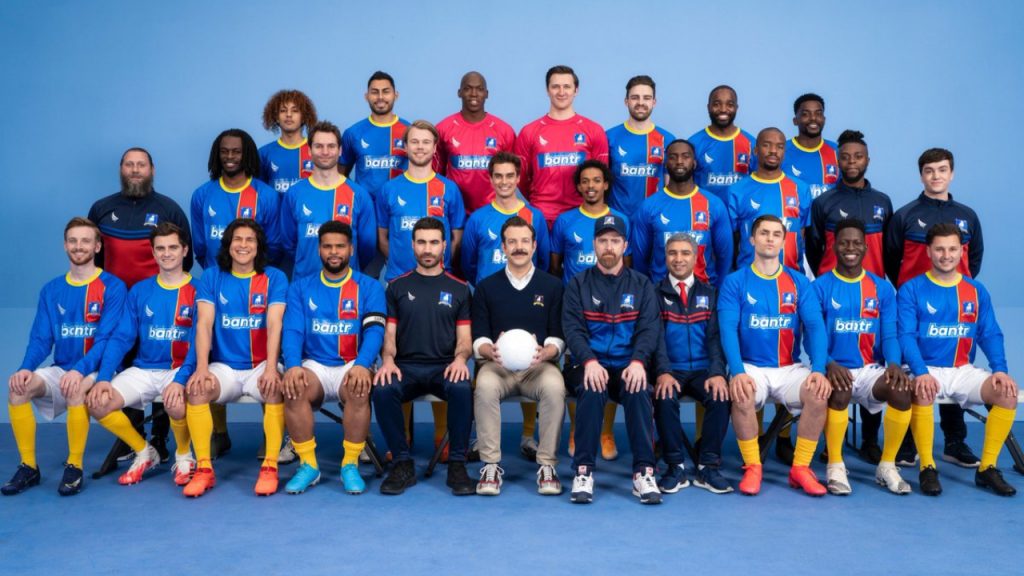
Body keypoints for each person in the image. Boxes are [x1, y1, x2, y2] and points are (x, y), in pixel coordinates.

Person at [3, 217, 126, 496]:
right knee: (18, 388)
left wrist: (80, 370)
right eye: (73, 241)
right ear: (65, 245)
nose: (78, 246)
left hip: (98, 368)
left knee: (75, 388)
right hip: (63, 367)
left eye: (85, 241)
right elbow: (41, 339)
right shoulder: (51, 290)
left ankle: (74, 466)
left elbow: (106, 340)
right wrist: (25, 368)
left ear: (97, 246)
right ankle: (28, 467)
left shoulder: (113, 286)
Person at [88, 146, 192, 461]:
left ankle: (160, 437)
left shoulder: (168, 208)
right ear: (121, 169)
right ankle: (134, 439)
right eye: (129, 165)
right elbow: (94, 258)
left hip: (160, 304)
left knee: (161, 362)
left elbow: (184, 260)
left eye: (141, 165)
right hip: (117, 306)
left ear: (152, 170)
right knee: (126, 365)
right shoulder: (101, 208)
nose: (135, 170)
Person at [898, 222, 1016, 496]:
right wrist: (920, 371)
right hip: (924, 367)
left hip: (962, 369)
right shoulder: (911, 289)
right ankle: (927, 467)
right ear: (928, 251)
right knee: (922, 390)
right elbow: (906, 336)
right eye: (940, 249)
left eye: (952, 249)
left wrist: (999, 369)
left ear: (962, 251)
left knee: (1006, 394)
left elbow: (990, 333)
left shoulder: (976, 291)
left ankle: (987, 468)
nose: (946, 255)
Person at [886, 148, 984, 468]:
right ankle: (909, 442)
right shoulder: (904, 216)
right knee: (912, 370)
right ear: (921, 176)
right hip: (914, 308)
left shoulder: (968, 216)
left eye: (942, 170)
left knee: (955, 369)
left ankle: (954, 441)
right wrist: (912, 293)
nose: (936, 176)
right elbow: (891, 260)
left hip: (956, 310)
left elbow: (974, 260)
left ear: (951, 173)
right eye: (929, 171)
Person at [718, 215, 829, 496]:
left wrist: (818, 369)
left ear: (783, 241)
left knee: (818, 393)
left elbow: (815, 326)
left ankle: (800, 468)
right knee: (741, 392)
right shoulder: (734, 282)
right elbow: (727, 329)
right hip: (750, 367)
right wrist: (737, 371)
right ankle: (753, 466)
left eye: (776, 234)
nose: (770, 239)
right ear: (752, 239)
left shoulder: (799, 282)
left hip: (788, 367)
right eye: (764, 233)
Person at [180, 219, 288, 497]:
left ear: (258, 246)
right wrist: (201, 368)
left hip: (260, 365)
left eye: (250, 239)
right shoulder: (212, 277)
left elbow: (275, 324)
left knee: (275, 388)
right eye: (237, 239)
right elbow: (204, 324)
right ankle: (204, 469)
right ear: (228, 245)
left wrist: (272, 368)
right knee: (197, 389)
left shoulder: (274, 277)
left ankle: (270, 466)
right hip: (224, 367)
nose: (243, 245)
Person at [85, 222, 198, 487]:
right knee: (97, 402)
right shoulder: (139, 291)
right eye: (161, 248)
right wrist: (103, 377)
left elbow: (200, 343)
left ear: (184, 250)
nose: (167, 253)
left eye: (173, 247)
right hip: (144, 369)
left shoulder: (199, 290)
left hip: (179, 368)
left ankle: (184, 456)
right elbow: (122, 337)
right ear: (153, 252)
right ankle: (144, 452)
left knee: (175, 403)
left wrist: (181, 379)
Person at [807, 129, 895, 462]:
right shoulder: (824, 202)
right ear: (837, 160)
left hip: (873, 293)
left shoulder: (882, 202)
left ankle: (871, 440)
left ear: (867, 159)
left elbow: (890, 249)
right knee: (834, 359)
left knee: (876, 360)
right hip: (835, 291)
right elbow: (814, 247)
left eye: (858, 156)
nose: (852, 162)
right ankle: (833, 445)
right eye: (845, 156)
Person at [280, 221, 385, 495]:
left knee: (358, 388)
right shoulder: (300, 288)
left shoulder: (369, 287)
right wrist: (292, 366)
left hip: (352, 361)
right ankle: (308, 465)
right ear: (319, 250)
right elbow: (292, 331)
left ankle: (350, 464)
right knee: (293, 387)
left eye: (340, 246)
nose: (334, 252)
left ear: (351, 249)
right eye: (328, 246)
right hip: (314, 364)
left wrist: (363, 364)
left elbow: (374, 331)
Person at [563, 214, 662, 504]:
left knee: (639, 389)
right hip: (587, 363)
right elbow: (573, 330)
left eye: (615, 241)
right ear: (594, 244)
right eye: (603, 240)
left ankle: (643, 472)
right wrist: (589, 361)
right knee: (592, 388)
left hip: (627, 364)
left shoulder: (642, 285)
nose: (609, 247)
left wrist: (639, 361)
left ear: (625, 245)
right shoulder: (578, 284)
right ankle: (583, 471)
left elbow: (649, 329)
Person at [811, 219, 913, 495]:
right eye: (844, 243)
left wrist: (893, 363)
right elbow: (813, 336)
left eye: (857, 243)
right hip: (834, 367)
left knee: (901, 390)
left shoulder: (882, 289)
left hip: (870, 370)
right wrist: (828, 363)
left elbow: (889, 334)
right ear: (834, 246)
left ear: (866, 248)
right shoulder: (819, 287)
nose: (850, 248)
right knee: (840, 390)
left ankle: (887, 465)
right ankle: (835, 464)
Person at [373, 218, 473, 495]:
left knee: (462, 388)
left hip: (445, 366)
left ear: (444, 246)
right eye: (421, 242)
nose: (427, 249)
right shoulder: (396, 287)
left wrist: (461, 359)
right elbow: (389, 335)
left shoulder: (460, 288)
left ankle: (457, 464)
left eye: (433, 242)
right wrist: (388, 361)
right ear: (413, 245)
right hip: (405, 366)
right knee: (383, 388)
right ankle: (402, 463)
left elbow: (465, 339)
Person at [472, 216, 566, 496]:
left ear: (535, 245)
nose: (519, 247)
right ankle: (490, 465)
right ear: (503, 247)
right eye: (512, 242)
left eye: (525, 241)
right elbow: (479, 337)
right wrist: (489, 350)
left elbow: (558, 336)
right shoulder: (487, 287)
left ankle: (547, 465)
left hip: (538, 367)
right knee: (484, 386)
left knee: (555, 387)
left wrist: (548, 351)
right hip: (497, 367)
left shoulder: (552, 286)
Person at [550, 160, 629, 459]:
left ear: (606, 184)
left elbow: (627, 268)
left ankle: (606, 432)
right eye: (585, 181)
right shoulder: (565, 221)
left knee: (609, 365)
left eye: (597, 180)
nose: (591, 186)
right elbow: (555, 266)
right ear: (579, 186)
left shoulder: (621, 219)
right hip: (576, 308)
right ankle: (577, 429)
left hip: (612, 309)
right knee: (578, 368)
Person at [652, 233, 733, 494]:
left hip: (702, 370)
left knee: (721, 395)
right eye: (672, 253)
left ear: (696, 257)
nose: (679, 259)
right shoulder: (653, 293)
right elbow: (655, 339)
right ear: (665, 257)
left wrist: (717, 372)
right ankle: (675, 467)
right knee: (664, 397)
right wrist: (663, 372)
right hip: (670, 369)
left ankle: (708, 467)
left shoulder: (710, 293)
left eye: (685, 253)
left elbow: (716, 338)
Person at [513, 65, 609, 227]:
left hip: (581, 216)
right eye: (555, 86)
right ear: (547, 90)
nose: (561, 92)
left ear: (576, 90)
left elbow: (602, 175)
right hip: (542, 218)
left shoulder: (594, 130)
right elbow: (521, 178)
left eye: (567, 86)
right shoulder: (529, 132)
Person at [279, 121, 376, 278]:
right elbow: (288, 243)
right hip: (305, 284)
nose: (325, 152)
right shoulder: (294, 194)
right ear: (309, 150)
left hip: (347, 286)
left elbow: (367, 247)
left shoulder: (358, 195)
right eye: (319, 146)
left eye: (331, 146)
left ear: (340, 150)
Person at [631, 138, 732, 287]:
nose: (679, 161)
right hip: (660, 292)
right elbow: (640, 259)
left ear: (694, 163)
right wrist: (650, 291)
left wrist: (716, 290)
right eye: (673, 157)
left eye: (686, 156)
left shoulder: (714, 204)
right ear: (666, 164)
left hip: (703, 292)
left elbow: (725, 256)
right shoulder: (649, 206)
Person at [377, 120, 466, 282]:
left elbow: (457, 239)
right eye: (414, 142)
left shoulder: (449, 189)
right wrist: (398, 263)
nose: (420, 147)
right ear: (405, 146)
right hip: (398, 280)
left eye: (426, 142)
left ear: (434, 148)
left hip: (440, 279)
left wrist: (439, 265)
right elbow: (382, 238)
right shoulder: (388, 189)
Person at [190, 128, 282, 271]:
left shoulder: (267, 196)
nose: (230, 156)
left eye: (237, 152)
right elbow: (200, 247)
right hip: (215, 278)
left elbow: (274, 247)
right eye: (224, 151)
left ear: (247, 155)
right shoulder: (201, 195)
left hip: (254, 278)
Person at [727, 127, 813, 273]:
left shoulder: (801, 188)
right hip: (749, 276)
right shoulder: (737, 190)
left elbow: (802, 234)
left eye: (779, 147)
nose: (773, 151)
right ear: (755, 150)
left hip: (791, 277)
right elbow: (733, 240)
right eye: (766, 145)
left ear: (784, 152)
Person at [461, 152, 549, 287]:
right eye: (498, 176)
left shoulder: (535, 217)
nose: (504, 182)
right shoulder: (477, 219)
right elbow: (468, 265)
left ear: (518, 178)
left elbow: (543, 262)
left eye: (510, 176)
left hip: (525, 293)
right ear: (491, 179)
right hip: (487, 295)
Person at [435, 71, 517, 214]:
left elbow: (514, 175)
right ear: (459, 93)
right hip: (454, 211)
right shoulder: (443, 129)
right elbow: (436, 174)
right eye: (468, 88)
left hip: (493, 212)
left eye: (479, 89)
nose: (474, 94)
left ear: (486, 94)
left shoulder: (504, 130)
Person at [605, 75, 675, 219]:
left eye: (646, 98)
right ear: (626, 101)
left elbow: (670, 188)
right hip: (617, 220)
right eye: (635, 97)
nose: (641, 102)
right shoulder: (609, 137)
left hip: (652, 219)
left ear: (654, 102)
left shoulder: (667, 139)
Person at [340, 71, 409, 204]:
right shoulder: (353, 133)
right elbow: (340, 174)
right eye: (375, 92)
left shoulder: (409, 131)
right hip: (366, 208)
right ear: (366, 96)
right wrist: (358, 197)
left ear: (396, 95)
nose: (380, 97)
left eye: (386, 91)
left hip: (400, 207)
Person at [689, 85, 757, 205]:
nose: (723, 109)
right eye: (717, 104)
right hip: (705, 213)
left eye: (729, 105)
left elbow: (758, 184)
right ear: (708, 107)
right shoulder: (694, 143)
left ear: (736, 108)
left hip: (740, 213)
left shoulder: (751, 143)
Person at [258, 89, 318, 195]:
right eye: (283, 110)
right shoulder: (264, 153)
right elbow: (258, 191)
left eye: (295, 111)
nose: (289, 115)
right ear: (276, 117)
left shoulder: (316, 151)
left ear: (304, 117)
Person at [781, 93, 839, 199]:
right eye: (805, 114)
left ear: (824, 119)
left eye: (818, 114)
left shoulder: (837, 152)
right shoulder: (781, 151)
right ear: (795, 121)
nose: (813, 118)